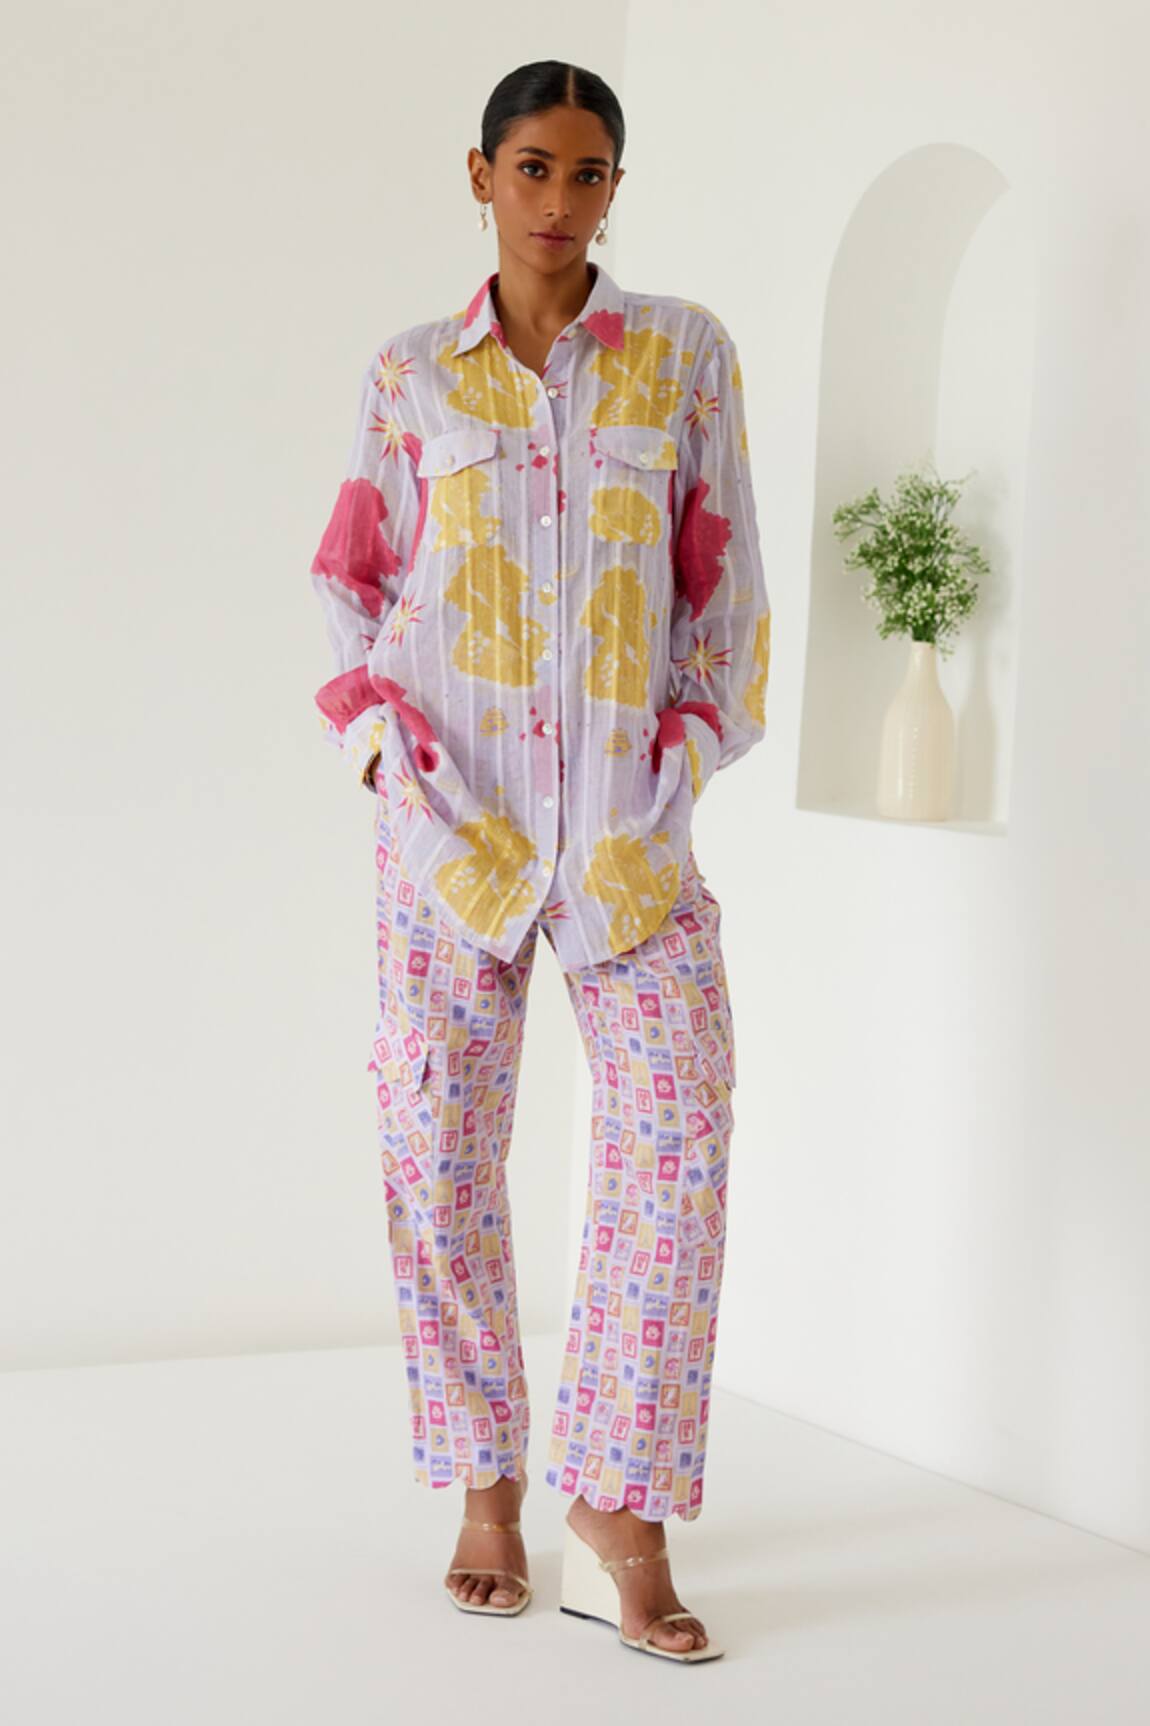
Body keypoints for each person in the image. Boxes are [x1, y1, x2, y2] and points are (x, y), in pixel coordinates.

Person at [309, 59, 771, 1663]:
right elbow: (348, 586)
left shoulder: (684, 356)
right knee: (437, 1147)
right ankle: (487, 1486)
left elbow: (726, 597)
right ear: (479, 176)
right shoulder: (408, 375)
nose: (557, 202)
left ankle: (620, 1507)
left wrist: (679, 765)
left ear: (614, 188)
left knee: (676, 1134)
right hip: (450, 832)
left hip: (627, 840)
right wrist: (387, 765)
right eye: (530, 168)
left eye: (586, 174)